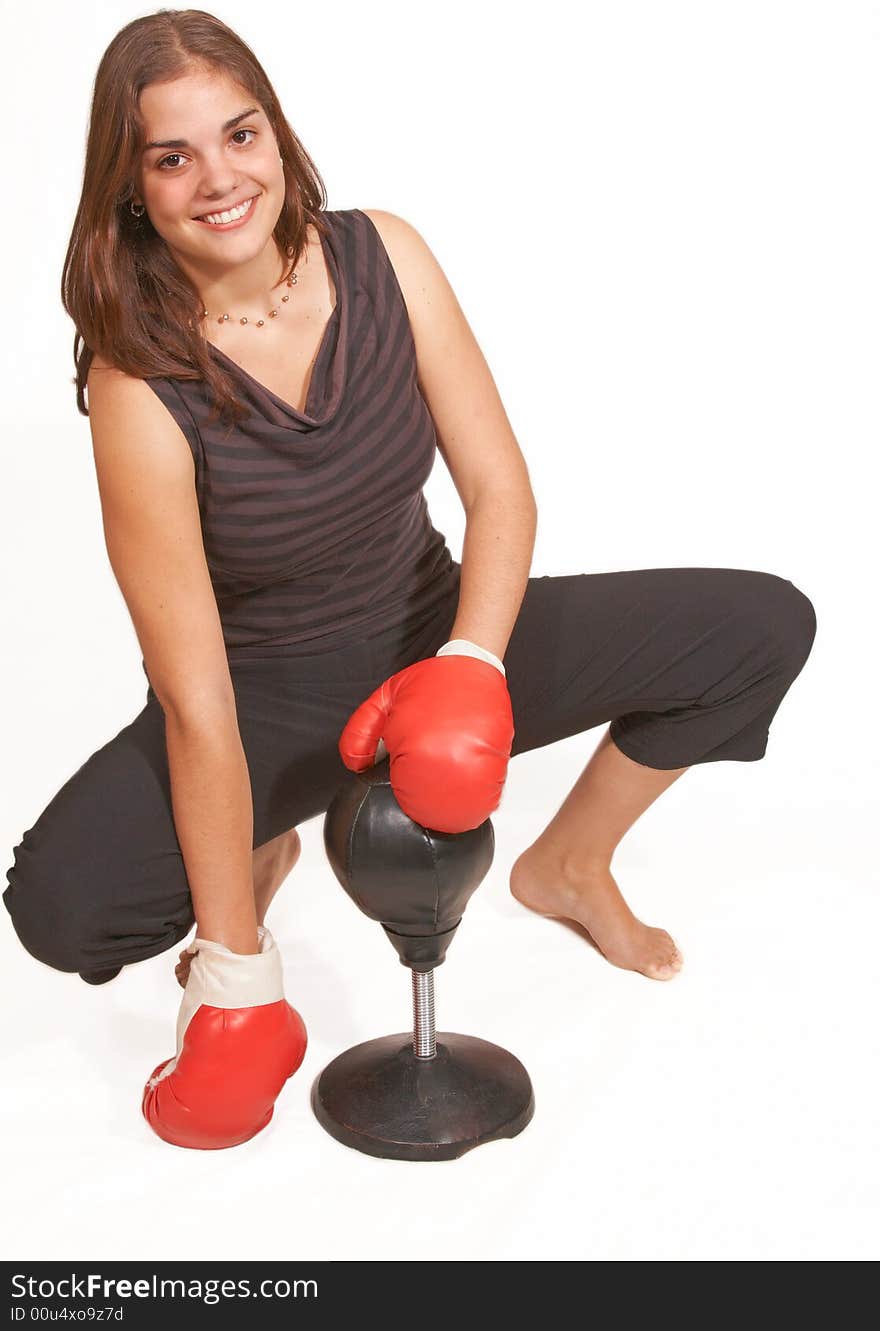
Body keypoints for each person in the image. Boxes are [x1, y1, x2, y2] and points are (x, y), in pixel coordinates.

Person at [3, 10, 817, 1149]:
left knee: (758, 626)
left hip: (435, 627)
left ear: (277, 134)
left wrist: (473, 664)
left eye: (241, 136)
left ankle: (571, 866)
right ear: (132, 188)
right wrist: (232, 972)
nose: (220, 178)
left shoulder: (383, 251)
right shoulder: (142, 386)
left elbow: (500, 490)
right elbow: (195, 698)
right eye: (172, 156)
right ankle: (262, 842)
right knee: (59, 907)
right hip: (267, 695)